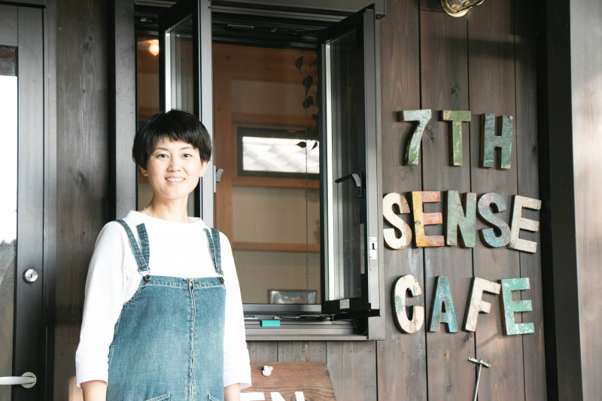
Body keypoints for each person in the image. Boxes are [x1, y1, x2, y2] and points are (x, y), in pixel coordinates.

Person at [76, 110, 251, 401]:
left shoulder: (217, 244)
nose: (175, 167)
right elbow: (94, 343)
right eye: (161, 155)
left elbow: (231, 345)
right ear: (144, 165)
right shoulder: (120, 236)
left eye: (186, 155)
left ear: (203, 164)